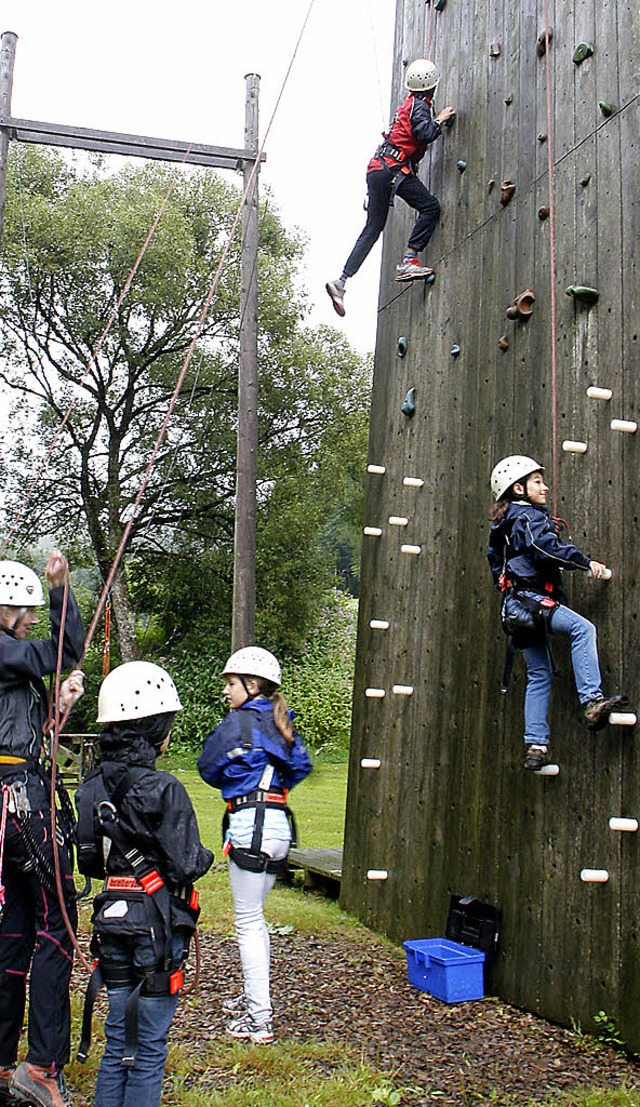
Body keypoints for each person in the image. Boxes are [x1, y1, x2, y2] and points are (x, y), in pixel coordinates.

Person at [74, 661, 213, 1107]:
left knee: (117, 1044)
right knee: (148, 1048)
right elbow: (187, 864)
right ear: (157, 729)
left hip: (111, 922)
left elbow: (91, 860)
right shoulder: (163, 788)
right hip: (154, 926)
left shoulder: (92, 788)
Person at [0, 553, 85, 1107]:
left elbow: (26, 737)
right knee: (57, 926)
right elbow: (65, 650)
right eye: (27, 611)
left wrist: (60, 710)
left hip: (14, 803)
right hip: (22, 805)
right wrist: (61, 591)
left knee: (15, 928)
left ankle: (3, 1056)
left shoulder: (7, 663)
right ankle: (40, 1067)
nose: (32, 619)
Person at [198, 647, 312, 1044]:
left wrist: (240, 778)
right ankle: (253, 998)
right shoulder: (281, 721)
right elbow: (301, 765)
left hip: (250, 826)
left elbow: (207, 766)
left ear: (252, 685)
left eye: (231, 683)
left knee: (248, 923)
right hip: (279, 827)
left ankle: (259, 1019)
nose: (226, 691)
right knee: (256, 919)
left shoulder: (237, 724)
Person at [487, 456, 628, 771]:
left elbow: (496, 560)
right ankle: (591, 701)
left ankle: (536, 747)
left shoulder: (504, 522)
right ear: (519, 488)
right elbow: (545, 547)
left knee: (539, 675)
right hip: (533, 601)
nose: (545, 486)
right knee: (583, 630)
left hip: (514, 608)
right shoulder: (527, 516)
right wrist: (584, 561)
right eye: (537, 481)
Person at [325, 58, 455, 318]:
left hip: (378, 169)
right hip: (393, 169)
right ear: (432, 87)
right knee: (430, 207)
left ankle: (341, 282)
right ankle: (409, 260)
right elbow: (424, 133)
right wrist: (439, 121)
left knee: (373, 228)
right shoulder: (419, 106)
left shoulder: (406, 105)